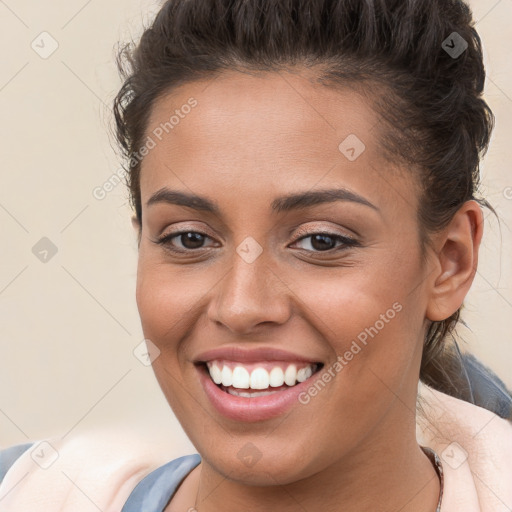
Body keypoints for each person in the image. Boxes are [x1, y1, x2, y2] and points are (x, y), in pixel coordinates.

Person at [1, 0, 511, 510]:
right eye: (189, 239)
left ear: (450, 262)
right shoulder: (26, 493)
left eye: (321, 240)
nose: (241, 307)